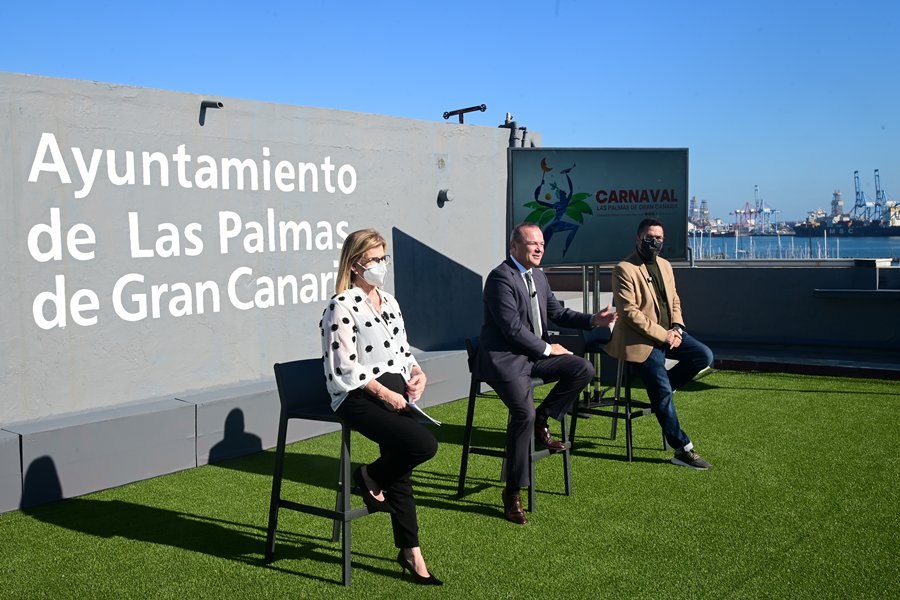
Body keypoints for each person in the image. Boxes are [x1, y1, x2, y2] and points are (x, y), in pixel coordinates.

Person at [473, 222, 617, 524]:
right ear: (514, 247)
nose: (539, 248)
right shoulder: (500, 278)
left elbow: (558, 313)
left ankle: (544, 418)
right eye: (531, 243)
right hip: (505, 359)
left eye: (541, 243)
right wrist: (549, 349)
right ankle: (512, 493)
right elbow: (511, 329)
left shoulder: (538, 275)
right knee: (521, 414)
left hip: (531, 355)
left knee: (582, 368)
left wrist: (594, 320)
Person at [320, 229, 442, 585]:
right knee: (421, 444)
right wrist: (385, 394)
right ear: (355, 264)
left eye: (382, 258)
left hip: (394, 391)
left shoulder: (389, 302)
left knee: (401, 460)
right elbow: (343, 366)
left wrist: (418, 373)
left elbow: (402, 352)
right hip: (356, 396)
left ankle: (411, 554)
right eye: (373, 260)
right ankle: (370, 476)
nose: (379, 266)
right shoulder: (341, 304)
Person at [606, 218, 715, 470]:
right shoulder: (624, 269)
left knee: (704, 356)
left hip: (670, 334)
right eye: (649, 238)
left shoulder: (665, 265)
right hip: (641, 339)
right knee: (662, 393)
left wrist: (676, 328)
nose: (654, 242)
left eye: (659, 239)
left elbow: (674, 299)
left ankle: (664, 390)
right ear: (638, 238)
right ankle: (682, 449)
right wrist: (662, 335)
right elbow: (629, 312)